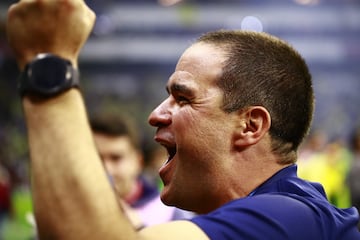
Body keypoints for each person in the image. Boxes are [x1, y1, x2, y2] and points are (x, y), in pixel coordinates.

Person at [5, 1, 360, 239]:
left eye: (183, 97)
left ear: (250, 126)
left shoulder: (289, 218)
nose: (155, 114)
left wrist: (47, 60)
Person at [90, 113, 193, 228]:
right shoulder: (72, 211)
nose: (107, 169)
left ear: (138, 162)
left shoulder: (171, 216)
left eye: (116, 158)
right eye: (97, 157)